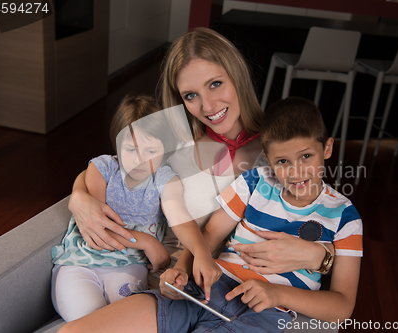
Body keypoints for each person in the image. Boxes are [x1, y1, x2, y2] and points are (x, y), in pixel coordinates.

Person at [58, 97, 362, 332]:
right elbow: (208, 237)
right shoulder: (254, 182)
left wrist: (276, 294)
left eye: (306, 156)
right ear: (268, 159)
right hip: (207, 288)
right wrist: (181, 270)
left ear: (327, 148)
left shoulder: (345, 216)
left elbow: (342, 305)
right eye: (282, 161)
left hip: (266, 312)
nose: (295, 172)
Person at [66, 27, 330, 297]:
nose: (208, 106)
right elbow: (111, 166)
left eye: (215, 84)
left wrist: (322, 256)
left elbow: (320, 214)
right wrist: (78, 196)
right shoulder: (174, 142)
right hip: (145, 275)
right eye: (190, 95)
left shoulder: (280, 151)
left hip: (221, 288)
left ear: (236, 76)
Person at [51, 94, 219, 322]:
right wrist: (148, 242)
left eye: (151, 152)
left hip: (129, 268)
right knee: (88, 320)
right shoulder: (102, 169)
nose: (140, 160)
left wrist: (201, 253)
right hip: (80, 263)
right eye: (131, 149)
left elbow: (180, 219)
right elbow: (99, 227)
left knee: (125, 323)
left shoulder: (165, 180)